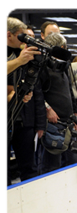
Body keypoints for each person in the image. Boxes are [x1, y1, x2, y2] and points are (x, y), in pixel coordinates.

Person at [5, 17, 45, 185]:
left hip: (21, 118)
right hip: (6, 118)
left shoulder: (19, 54)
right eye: (21, 36)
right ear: (8, 35)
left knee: (28, 167)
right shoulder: (19, 57)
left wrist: (23, 93)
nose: (24, 41)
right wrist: (20, 60)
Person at [34, 32, 77, 174]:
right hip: (52, 124)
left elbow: (69, 91)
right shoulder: (42, 65)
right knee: (51, 166)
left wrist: (74, 112)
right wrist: (47, 109)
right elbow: (37, 92)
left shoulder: (62, 67)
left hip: (67, 123)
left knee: (71, 163)